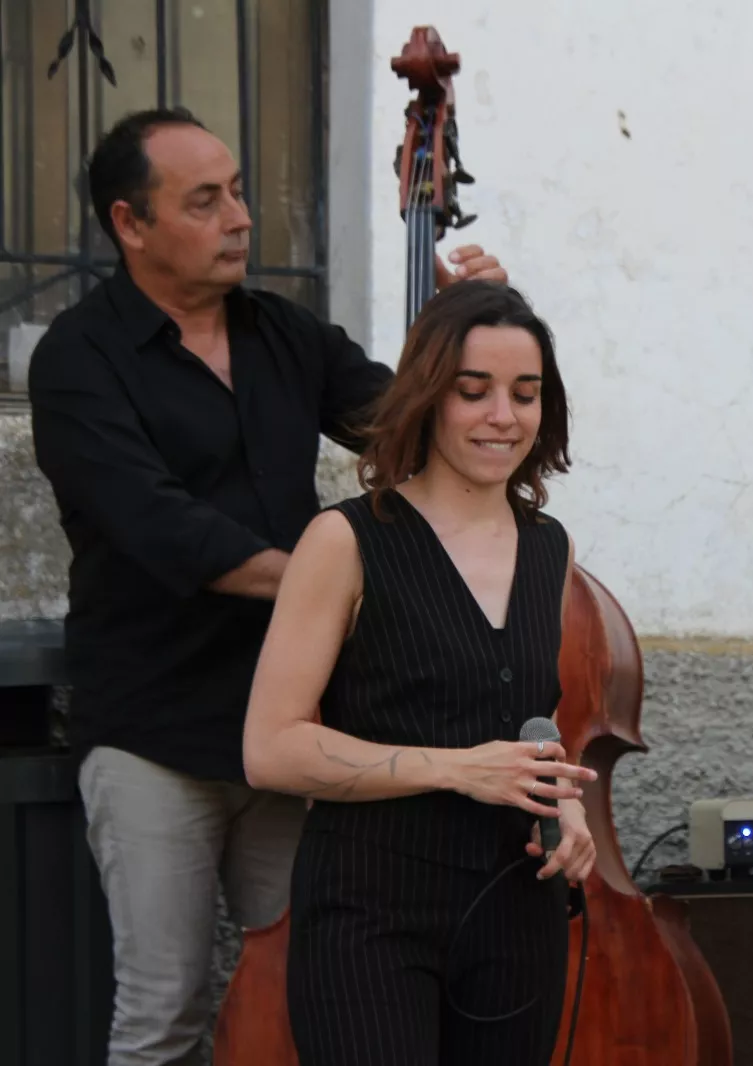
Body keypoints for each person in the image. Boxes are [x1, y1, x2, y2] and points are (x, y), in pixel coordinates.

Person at [26, 106, 509, 1066]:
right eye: (206, 201)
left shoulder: (283, 334)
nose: (241, 217)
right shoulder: (79, 359)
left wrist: (469, 336)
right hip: (153, 735)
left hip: (288, 733)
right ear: (131, 223)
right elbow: (167, 531)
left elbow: (409, 430)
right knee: (163, 1013)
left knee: (317, 992)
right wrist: (341, 588)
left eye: (239, 190)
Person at [240, 279, 598, 1065]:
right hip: (369, 912)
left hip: (516, 906)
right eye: (474, 392)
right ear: (430, 396)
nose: (503, 415)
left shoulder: (551, 548)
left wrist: (561, 809)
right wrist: (457, 770)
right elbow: (270, 749)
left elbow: (531, 727)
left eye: (525, 393)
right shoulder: (343, 541)